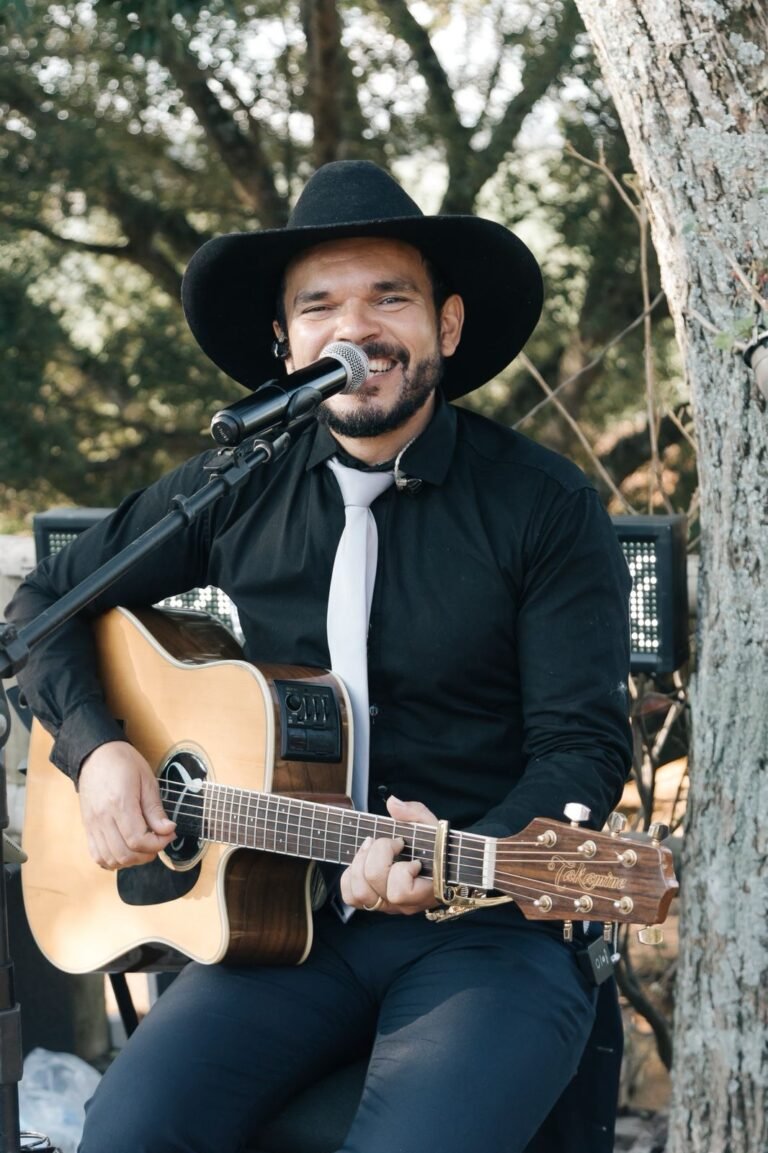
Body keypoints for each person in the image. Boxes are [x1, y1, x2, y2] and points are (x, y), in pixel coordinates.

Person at [6, 159, 632, 1153]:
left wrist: (463, 863)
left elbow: (582, 748)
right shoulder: (238, 482)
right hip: (284, 924)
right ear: (286, 343)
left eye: (390, 297)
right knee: (124, 1133)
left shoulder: (544, 506)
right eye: (320, 307)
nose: (356, 328)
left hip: (489, 929)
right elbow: (43, 608)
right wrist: (99, 749)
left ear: (448, 326)